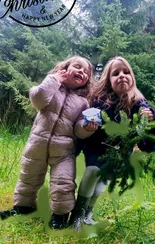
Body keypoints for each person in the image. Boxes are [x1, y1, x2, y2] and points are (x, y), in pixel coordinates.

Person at [0, 56, 95, 229]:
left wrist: (88, 127)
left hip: (64, 151)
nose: (82, 72)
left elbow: (78, 130)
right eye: (77, 67)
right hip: (37, 143)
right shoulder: (52, 87)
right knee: (28, 177)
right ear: (65, 68)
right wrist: (55, 79)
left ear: (87, 80)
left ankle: (60, 215)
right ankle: (23, 207)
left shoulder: (84, 102)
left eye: (86, 72)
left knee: (63, 182)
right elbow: (37, 98)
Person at [70, 56, 155, 230]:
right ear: (109, 81)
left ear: (132, 78)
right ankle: (76, 216)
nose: (122, 75)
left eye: (126, 72)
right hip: (98, 149)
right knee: (93, 172)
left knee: (101, 185)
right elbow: (86, 123)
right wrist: (84, 136)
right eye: (116, 73)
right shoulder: (100, 101)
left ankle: (88, 213)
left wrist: (151, 120)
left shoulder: (140, 105)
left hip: (120, 155)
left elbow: (145, 140)